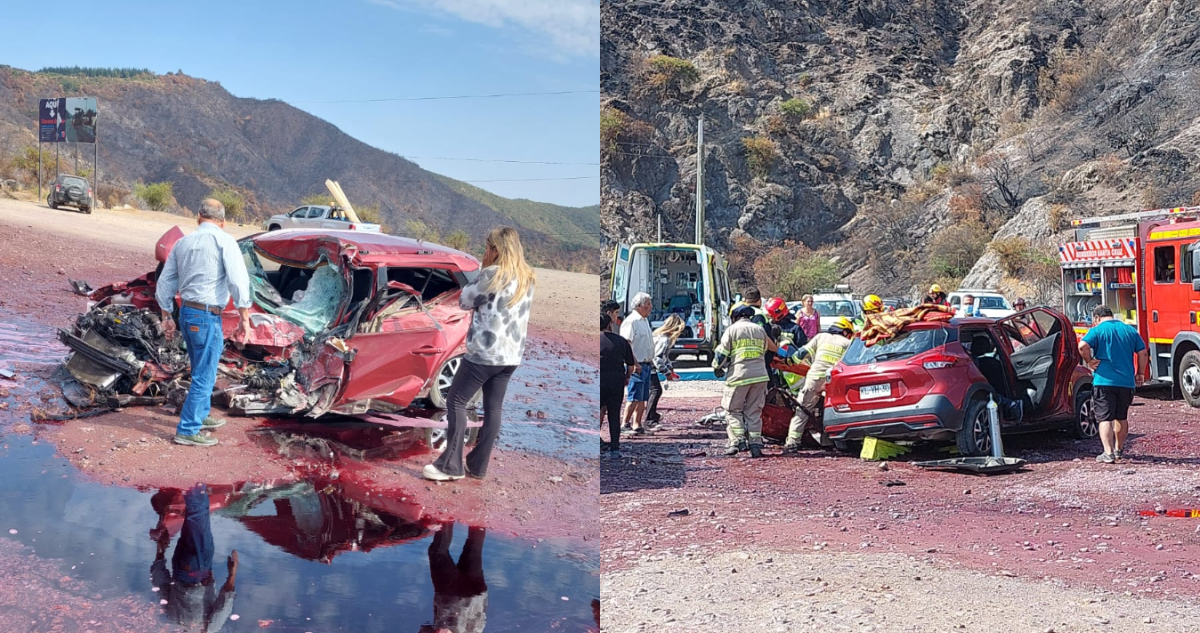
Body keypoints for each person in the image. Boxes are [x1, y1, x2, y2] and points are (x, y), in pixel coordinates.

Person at [424, 227, 535, 482]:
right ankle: (478, 465)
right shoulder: (527, 276)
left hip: (485, 353)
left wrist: (482, 270)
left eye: (488, 246)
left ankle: (451, 465)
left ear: (496, 249)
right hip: (511, 355)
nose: (485, 251)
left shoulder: (494, 274)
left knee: (455, 401)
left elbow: (465, 300)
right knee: (493, 408)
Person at [155, 198, 251, 447]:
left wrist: (166, 316)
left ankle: (201, 414)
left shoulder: (182, 243)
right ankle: (187, 429)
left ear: (198, 216)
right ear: (223, 222)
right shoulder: (225, 241)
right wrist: (244, 318)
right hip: (206, 316)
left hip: (186, 314)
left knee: (201, 368)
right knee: (205, 374)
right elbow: (238, 282)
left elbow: (165, 283)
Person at [151, 483, 238, 631]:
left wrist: (232, 572)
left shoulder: (207, 629)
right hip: (179, 566)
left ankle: (191, 483)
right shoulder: (172, 619)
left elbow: (224, 605)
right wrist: (161, 551)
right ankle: (177, 492)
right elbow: (160, 585)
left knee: (198, 515)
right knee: (191, 519)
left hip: (199, 571)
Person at [1079, 305, 1148, 464]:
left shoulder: (1097, 331)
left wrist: (1089, 361)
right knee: (1121, 417)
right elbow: (1143, 352)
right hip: (1126, 382)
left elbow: (1082, 346)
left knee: (1105, 418)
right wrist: (1141, 373)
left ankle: (1108, 453)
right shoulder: (1129, 330)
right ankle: (1119, 449)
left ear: (1096, 318)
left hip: (1104, 381)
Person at [712, 305, 778, 458]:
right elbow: (764, 350)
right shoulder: (760, 330)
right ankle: (755, 444)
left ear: (734, 317)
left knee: (732, 409)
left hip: (739, 375)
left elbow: (722, 354)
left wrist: (716, 367)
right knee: (753, 411)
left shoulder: (732, 330)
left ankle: (738, 441)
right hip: (760, 376)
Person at [783, 316, 854, 454]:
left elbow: (801, 354)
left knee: (803, 409)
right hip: (833, 380)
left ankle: (792, 441)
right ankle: (837, 441)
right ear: (845, 331)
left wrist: (789, 362)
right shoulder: (848, 343)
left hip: (815, 378)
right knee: (836, 409)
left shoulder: (820, 337)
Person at [419, 521, 488, 633]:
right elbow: (428, 629)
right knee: (437, 553)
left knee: (474, 547)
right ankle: (446, 517)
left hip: (478, 596)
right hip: (451, 598)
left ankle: (480, 510)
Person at [600, 313, 637, 456]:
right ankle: (615, 448)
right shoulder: (621, 341)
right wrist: (626, 377)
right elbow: (630, 365)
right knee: (614, 415)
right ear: (610, 325)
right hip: (616, 382)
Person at [619, 292, 656, 435]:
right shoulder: (631, 321)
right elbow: (626, 344)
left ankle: (637, 424)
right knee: (634, 396)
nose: (650, 307)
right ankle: (625, 424)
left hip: (646, 363)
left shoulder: (644, 320)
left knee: (643, 397)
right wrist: (634, 364)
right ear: (639, 306)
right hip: (637, 364)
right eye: (648, 304)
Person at [645, 314, 685, 428]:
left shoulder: (660, 336)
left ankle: (652, 415)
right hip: (650, 367)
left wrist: (670, 367)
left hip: (650, 366)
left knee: (655, 390)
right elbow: (657, 358)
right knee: (655, 391)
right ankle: (649, 419)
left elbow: (664, 357)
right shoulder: (664, 339)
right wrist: (666, 372)